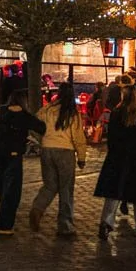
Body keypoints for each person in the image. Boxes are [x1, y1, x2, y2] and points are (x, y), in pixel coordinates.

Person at [94, 83, 136, 238]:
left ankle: (106, 222)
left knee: (114, 192)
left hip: (118, 158)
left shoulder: (116, 113)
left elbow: (111, 138)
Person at [29, 83, 87, 236]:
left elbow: (35, 124)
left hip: (47, 149)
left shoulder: (48, 109)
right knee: (66, 189)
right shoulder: (72, 113)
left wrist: (42, 139)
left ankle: (37, 208)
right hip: (65, 151)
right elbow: (78, 137)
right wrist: (81, 157)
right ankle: (65, 225)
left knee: (50, 185)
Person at [0, 89, 45, 236]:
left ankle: (4, 216)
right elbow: (41, 127)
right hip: (14, 155)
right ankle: (4, 225)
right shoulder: (22, 115)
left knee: (2, 187)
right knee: (12, 190)